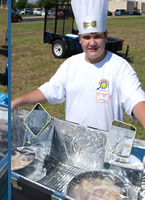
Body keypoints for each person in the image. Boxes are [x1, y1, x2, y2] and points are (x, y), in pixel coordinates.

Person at [11, 0, 145, 131]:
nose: (92, 43)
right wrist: (18, 101)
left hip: (107, 148)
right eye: (87, 37)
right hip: (73, 144)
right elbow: (50, 90)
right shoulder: (71, 64)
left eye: (97, 36)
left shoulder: (120, 67)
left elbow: (135, 99)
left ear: (105, 35)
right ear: (79, 38)